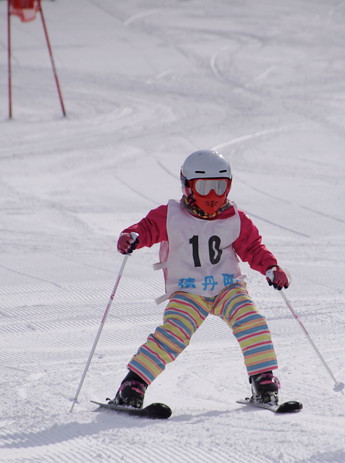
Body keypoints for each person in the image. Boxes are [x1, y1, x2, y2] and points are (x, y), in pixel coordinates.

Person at [111, 150, 291, 409]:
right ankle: (132, 384)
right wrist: (132, 236)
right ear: (187, 187)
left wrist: (271, 267)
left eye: (220, 187)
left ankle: (263, 381)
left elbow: (253, 248)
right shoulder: (171, 216)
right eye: (204, 188)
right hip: (188, 290)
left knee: (251, 321)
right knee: (174, 333)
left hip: (227, 287)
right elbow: (147, 229)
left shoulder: (235, 220)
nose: (212, 197)